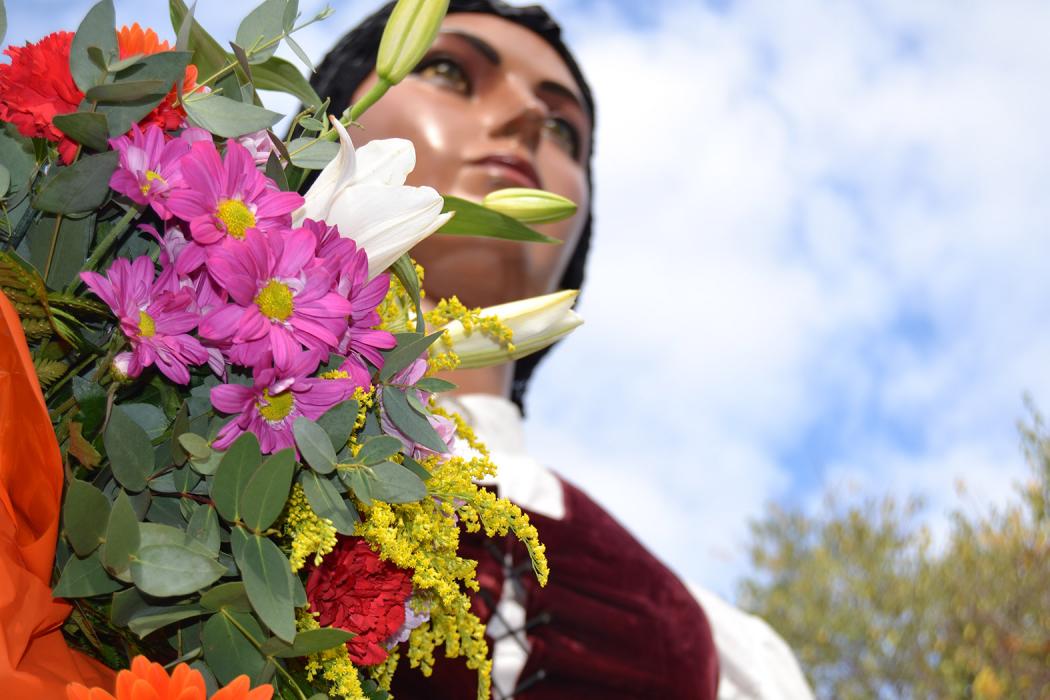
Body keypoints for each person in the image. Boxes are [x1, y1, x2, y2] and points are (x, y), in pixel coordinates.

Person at [312, 3, 814, 699]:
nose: (522, 118)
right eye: (450, 70)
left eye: (562, 129)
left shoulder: (725, 653)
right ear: (325, 121)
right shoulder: (161, 411)